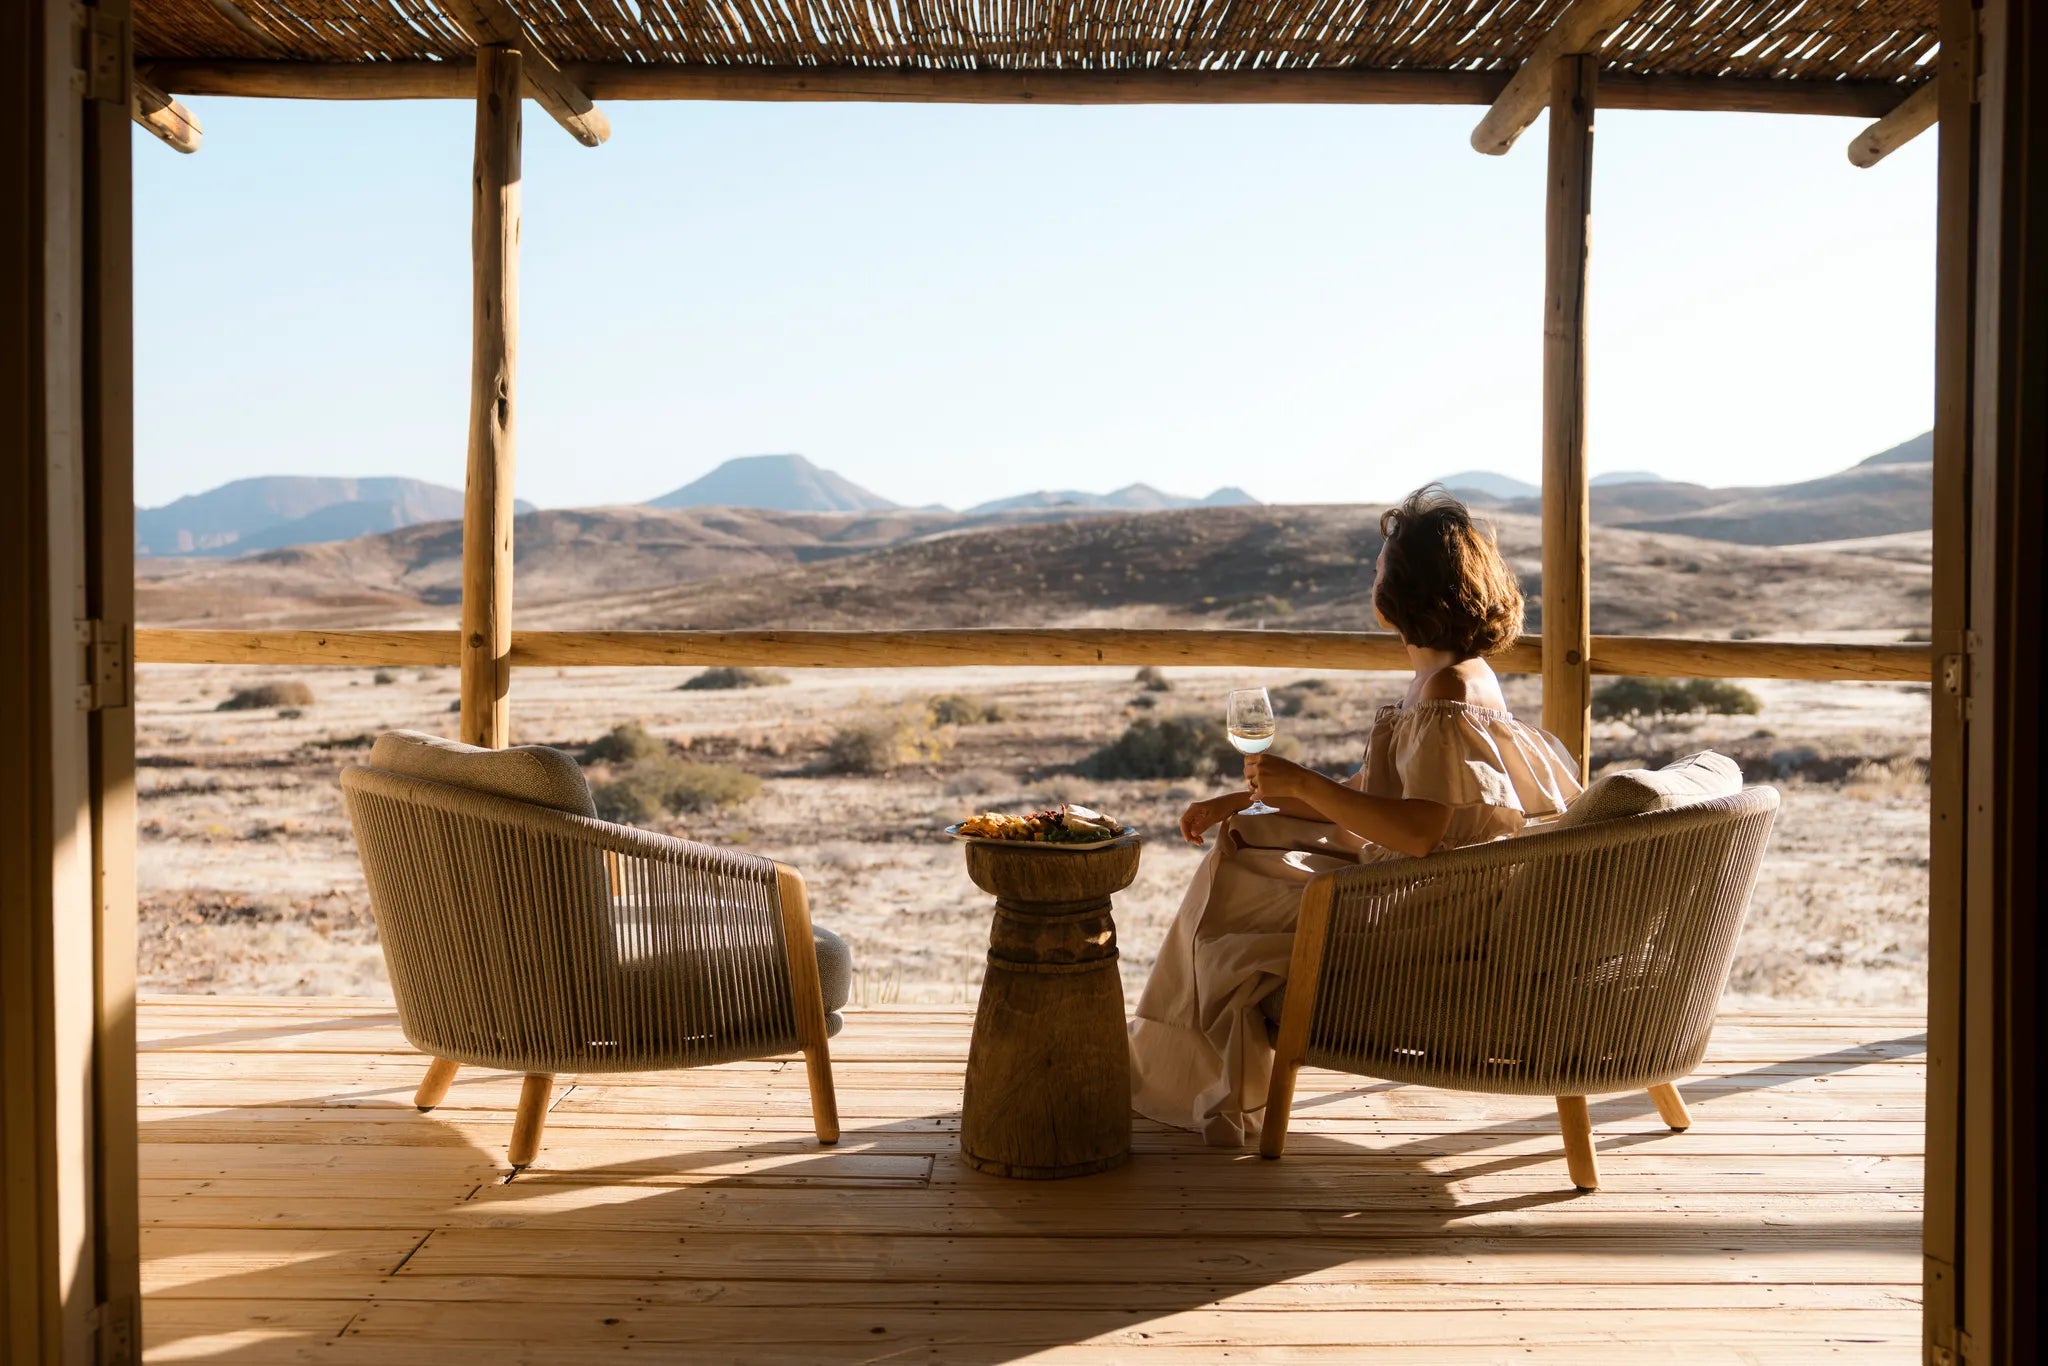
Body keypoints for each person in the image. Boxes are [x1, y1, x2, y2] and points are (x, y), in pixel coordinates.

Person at [1127, 486, 1585, 1146]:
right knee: (1243, 839)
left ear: (1408, 589)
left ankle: (1183, 1076)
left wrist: (1302, 783)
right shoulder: (1449, 675)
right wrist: (1249, 798)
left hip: (1430, 908)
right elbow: (1373, 791)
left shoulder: (1450, 688)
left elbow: (1418, 831)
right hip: (1432, 885)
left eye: (1379, 567)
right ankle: (1186, 1071)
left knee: (1230, 895)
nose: (1372, 577)